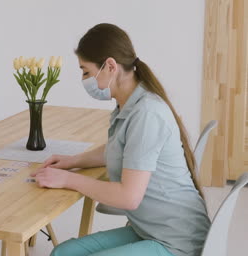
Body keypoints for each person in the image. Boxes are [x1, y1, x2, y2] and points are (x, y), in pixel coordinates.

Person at [32, 23, 210, 256]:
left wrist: (67, 179)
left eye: (86, 71)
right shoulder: (128, 104)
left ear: (110, 66)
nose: (84, 79)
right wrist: (71, 161)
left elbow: (128, 197)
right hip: (149, 230)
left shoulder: (147, 113)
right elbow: (117, 148)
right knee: (62, 253)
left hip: (177, 242)